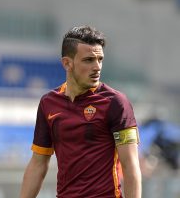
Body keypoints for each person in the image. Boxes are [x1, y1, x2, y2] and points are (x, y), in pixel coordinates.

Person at [20, 25, 141, 198]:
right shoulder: (48, 103)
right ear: (67, 63)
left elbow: (130, 167)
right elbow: (38, 163)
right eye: (89, 60)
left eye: (100, 59)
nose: (97, 67)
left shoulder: (116, 103)